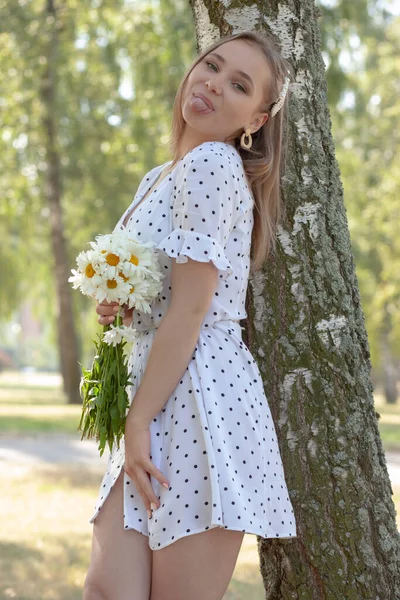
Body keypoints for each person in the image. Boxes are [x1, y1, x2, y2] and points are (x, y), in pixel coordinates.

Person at [83, 30, 297, 600]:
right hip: (158, 389)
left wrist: (136, 422)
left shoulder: (214, 164)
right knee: (107, 591)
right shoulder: (158, 176)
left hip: (199, 402)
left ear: (254, 119)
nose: (213, 84)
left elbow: (194, 307)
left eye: (239, 85)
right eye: (212, 65)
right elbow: (165, 292)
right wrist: (122, 304)